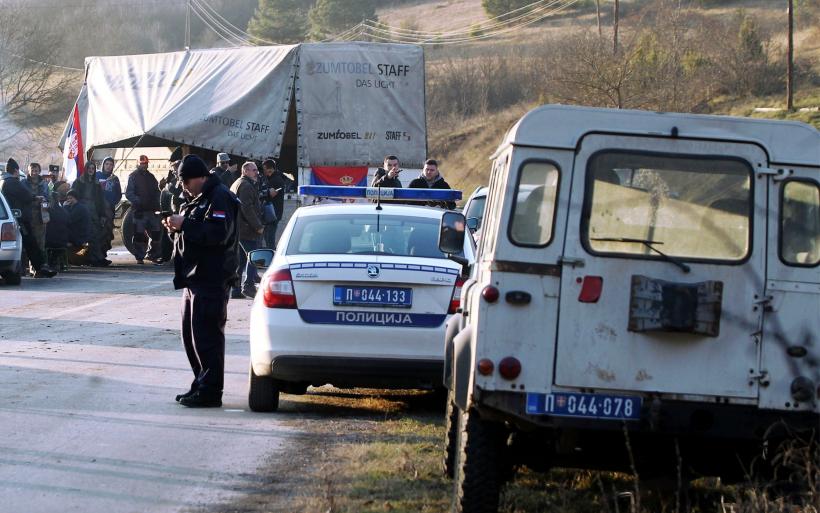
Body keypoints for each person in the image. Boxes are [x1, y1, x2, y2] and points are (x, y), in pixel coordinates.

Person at [162, 154, 240, 408]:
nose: (184, 187)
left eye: (186, 181)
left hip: (212, 278)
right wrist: (176, 227)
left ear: (200, 177)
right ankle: (201, 384)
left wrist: (185, 224)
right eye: (181, 182)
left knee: (207, 337)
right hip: (194, 278)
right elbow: (195, 232)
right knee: (192, 336)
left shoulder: (219, 197)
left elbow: (217, 234)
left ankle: (211, 391)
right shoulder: (197, 199)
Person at [0, 158, 56, 277]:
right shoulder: (13, 182)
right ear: (16, 171)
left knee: (30, 244)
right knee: (31, 244)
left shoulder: (3, 181)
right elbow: (26, 195)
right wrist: (36, 197)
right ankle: (40, 268)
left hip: (15, 218)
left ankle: (38, 268)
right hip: (20, 219)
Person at [229, 161, 264, 299]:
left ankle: (236, 290)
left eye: (256, 170)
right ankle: (248, 286)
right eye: (254, 170)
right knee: (255, 256)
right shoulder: (246, 186)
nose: (257, 172)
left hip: (238, 228)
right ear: (245, 171)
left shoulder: (238, 183)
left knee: (242, 260)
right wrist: (258, 226)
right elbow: (247, 208)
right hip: (246, 229)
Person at [125, 155, 162, 264]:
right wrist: (139, 201)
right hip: (139, 211)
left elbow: (157, 191)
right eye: (142, 163)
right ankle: (139, 257)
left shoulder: (151, 177)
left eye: (145, 163)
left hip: (152, 211)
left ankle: (152, 255)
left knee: (156, 234)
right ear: (138, 164)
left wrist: (157, 201)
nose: (144, 165)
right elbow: (129, 193)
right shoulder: (133, 176)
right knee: (139, 235)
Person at [72, 161, 110, 266]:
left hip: (94, 211)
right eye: (89, 168)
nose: (91, 170)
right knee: (86, 237)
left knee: (96, 235)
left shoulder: (96, 184)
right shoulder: (78, 182)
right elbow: (73, 196)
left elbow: (100, 200)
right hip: (82, 210)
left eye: (93, 168)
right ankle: (85, 258)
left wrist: (102, 214)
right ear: (86, 169)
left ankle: (97, 258)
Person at [22, 163, 51, 269]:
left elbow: (49, 198)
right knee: (27, 242)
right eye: (32, 170)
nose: (34, 173)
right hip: (27, 217)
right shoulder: (23, 183)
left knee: (40, 243)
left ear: (39, 171)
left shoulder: (44, 184)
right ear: (28, 171)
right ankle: (24, 267)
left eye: (36, 171)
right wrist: (34, 198)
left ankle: (38, 267)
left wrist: (44, 200)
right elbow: (22, 198)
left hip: (40, 217)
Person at [62, 189, 95, 265]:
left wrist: (65, 207)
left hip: (81, 236)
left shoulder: (79, 208)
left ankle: (74, 259)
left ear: (76, 198)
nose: (69, 200)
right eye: (68, 198)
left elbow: (69, 219)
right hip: (81, 234)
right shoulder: (77, 206)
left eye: (71, 198)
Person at [96, 157, 121, 256]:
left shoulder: (114, 178)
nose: (108, 166)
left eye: (111, 164)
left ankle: (103, 254)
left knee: (107, 233)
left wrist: (112, 202)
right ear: (103, 165)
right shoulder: (97, 175)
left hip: (109, 210)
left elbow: (118, 194)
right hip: (97, 210)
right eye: (107, 164)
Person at [260, 158, 285, 250]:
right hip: (271, 213)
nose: (263, 171)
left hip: (273, 214)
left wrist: (262, 192)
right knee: (267, 237)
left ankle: (272, 255)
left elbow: (271, 194)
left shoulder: (276, 179)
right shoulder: (271, 178)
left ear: (269, 169)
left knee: (269, 239)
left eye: (264, 169)